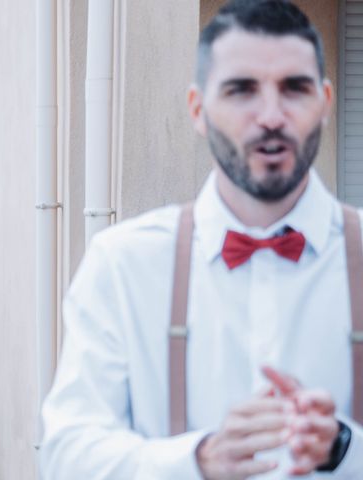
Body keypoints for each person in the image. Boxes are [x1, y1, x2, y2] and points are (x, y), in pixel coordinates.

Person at [40, 1, 363, 479]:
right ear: (198, 108)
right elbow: (66, 456)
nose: (271, 116)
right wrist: (197, 460)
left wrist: (345, 447)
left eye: (294, 88)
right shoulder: (124, 263)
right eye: (241, 90)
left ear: (326, 103)